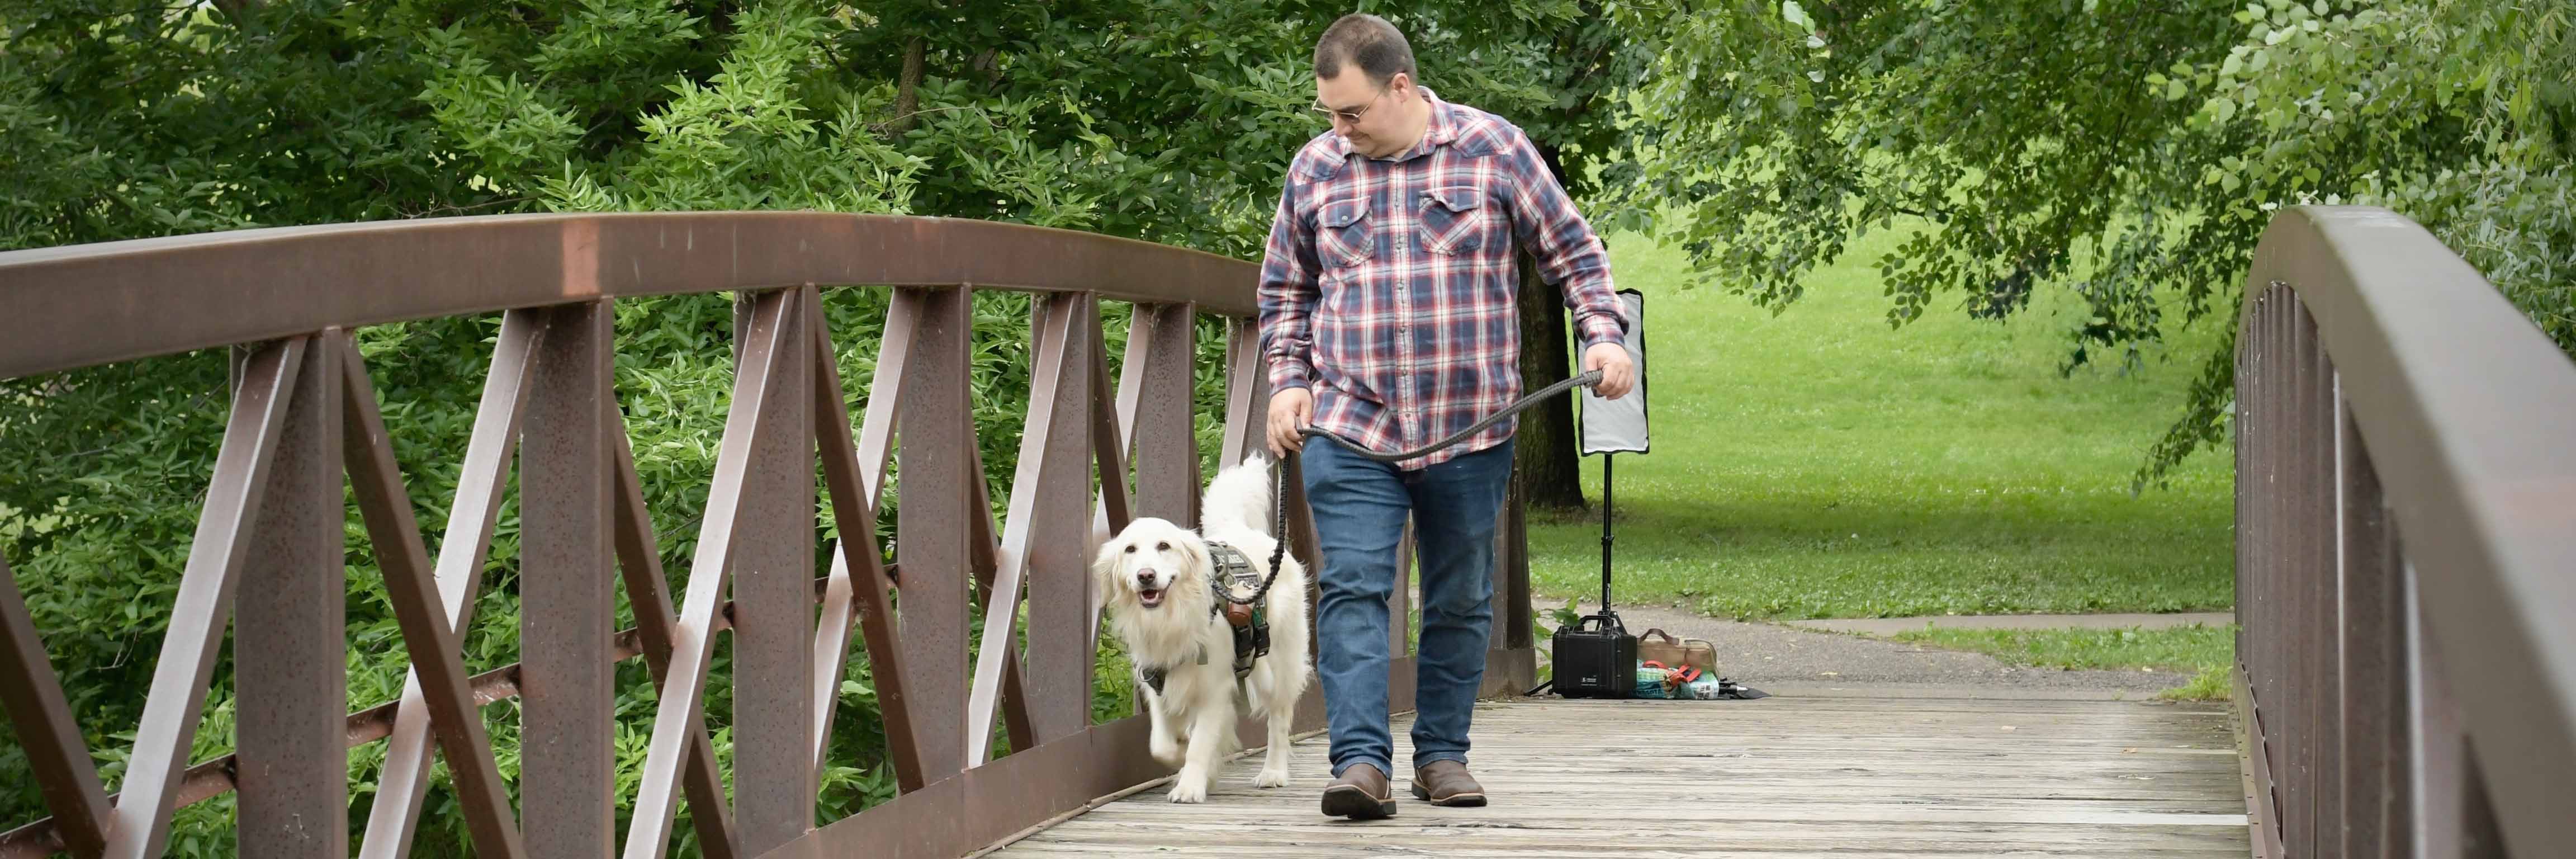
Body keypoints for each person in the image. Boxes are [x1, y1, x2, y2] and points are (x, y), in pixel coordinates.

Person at [1256, 12, 1635, 821]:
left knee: (1460, 598)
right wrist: (1287, 382)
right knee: (1354, 588)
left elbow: (1574, 252)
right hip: (1351, 425)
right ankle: (1361, 765)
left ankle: (1441, 756)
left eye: (1352, 112)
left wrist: (1603, 335)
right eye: (1329, 114)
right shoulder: (1316, 168)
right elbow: (1286, 292)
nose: (1339, 129)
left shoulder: (1494, 149)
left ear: (1401, 87)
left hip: (1470, 427)